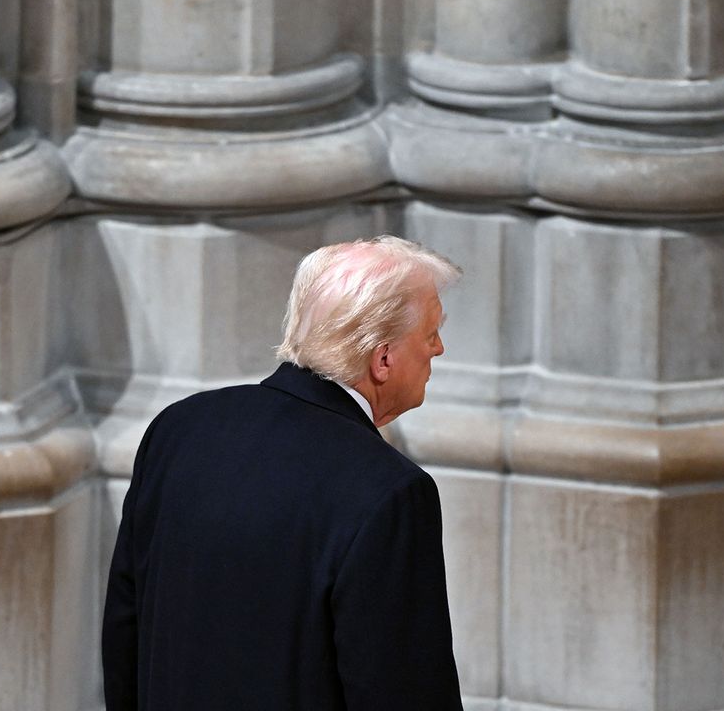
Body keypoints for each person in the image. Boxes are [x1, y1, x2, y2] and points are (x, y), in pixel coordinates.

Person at [101, 236, 464, 710]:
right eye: (431, 332)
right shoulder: (389, 492)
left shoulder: (180, 428)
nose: (438, 348)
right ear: (383, 358)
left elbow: (124, 633)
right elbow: (404, 692)